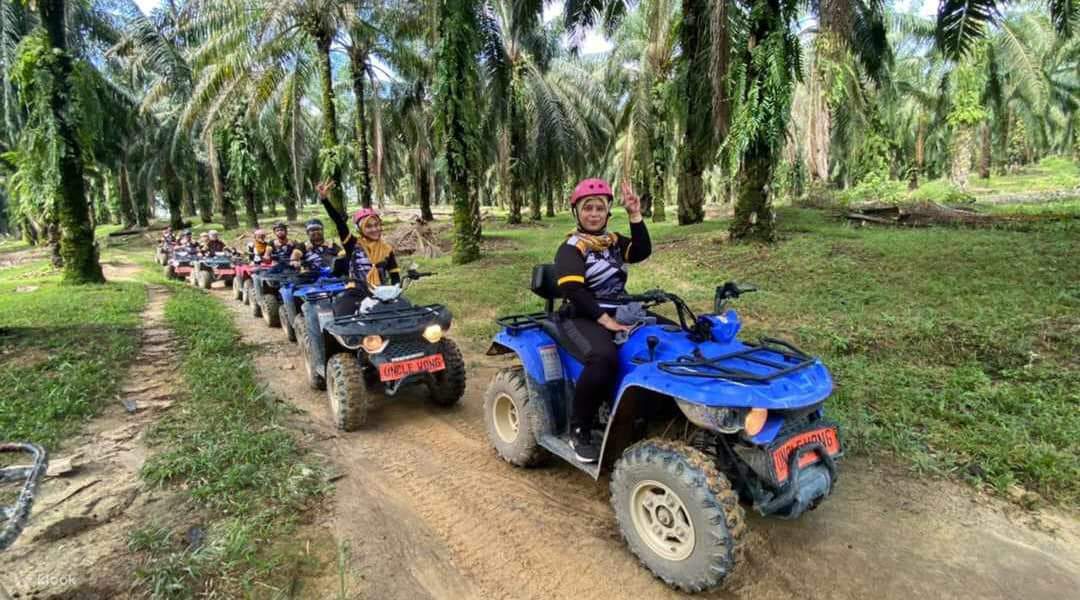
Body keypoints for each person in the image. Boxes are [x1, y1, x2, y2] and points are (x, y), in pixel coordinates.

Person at [553, 178, 651, 463]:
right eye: (588, 208)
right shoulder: (571, 248)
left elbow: (642, 251)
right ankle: (579, 429)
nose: (594, 214)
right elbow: (574, 290)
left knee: (669, 337)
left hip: (620, 309)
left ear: (608, 211)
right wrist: (604, 320)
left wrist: (635, 215)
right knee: (603, 357)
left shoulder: (614, 242)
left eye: (599, 208)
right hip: (582, 314)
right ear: (577, 212)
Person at [316, 181, 401, 315]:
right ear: (360, 229)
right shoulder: (352, 244)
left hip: (382, 293)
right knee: (345, 319)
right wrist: (325, 200)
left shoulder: (387, 249)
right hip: (355, 292)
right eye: (369, 226)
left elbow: (394, 275)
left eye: (377, 225)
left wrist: (395, 289)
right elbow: (339, 222)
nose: (374, 229)